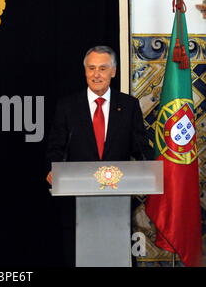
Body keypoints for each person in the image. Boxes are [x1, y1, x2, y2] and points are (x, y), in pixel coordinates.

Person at [46, 45, 151, 265]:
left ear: (113, 71)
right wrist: (52, 169)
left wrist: (148, 169)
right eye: (91, 68)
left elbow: (140, 147)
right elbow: (55, 147)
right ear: (84, 71)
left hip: (117, 204)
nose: (96, 74)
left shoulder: (129, 106)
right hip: (77, 205)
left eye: (102, 68)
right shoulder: (68, 106)